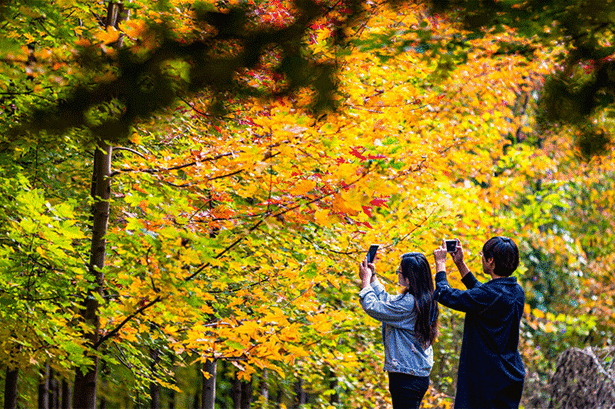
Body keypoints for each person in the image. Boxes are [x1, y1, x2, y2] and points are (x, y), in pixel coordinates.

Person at [433, 237, 525, 409]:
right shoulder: (516, 291)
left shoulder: (490, 295)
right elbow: (482, 293)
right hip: (508, 374)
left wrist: (440, 264)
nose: (482, 258)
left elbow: (444, 294)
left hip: (487, 379)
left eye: (483, 255)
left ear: (491, 260)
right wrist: (460, 264)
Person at [359, 252, 439, 409]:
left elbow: (373, 307)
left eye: (400, 271)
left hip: (406, 377)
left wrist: (365, 281)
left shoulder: (409, 303)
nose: (398, 274)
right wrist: (373, 278)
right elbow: (389, 303)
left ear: (409, 278)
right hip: (413, 373)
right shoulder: (423, 298)